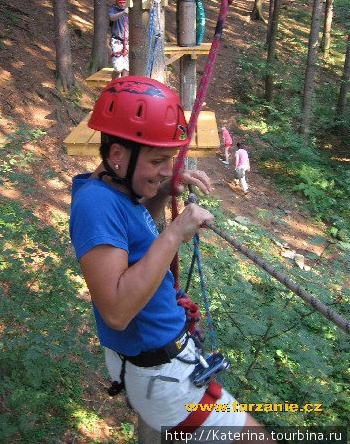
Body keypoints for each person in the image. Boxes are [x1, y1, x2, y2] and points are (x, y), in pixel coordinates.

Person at [70, 76, 274, 441]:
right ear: (117, 155)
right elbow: (116, 310)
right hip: (166, 379)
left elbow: (135, 245)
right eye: (159, 160)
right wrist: (176, 232)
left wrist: (160, 193)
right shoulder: (96, 205)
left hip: (163, 365)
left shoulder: (115, 193)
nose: (168, 169)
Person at [109, 0, 129, 79]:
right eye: (120, 2)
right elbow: (112, 18)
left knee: (126, 69)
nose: (122, 4)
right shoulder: (113, 9)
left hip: (128, 42)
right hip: (117, 41)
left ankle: (123, 88)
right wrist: (122, 12)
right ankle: (114, 84)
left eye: (124, 2)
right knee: (118, 69)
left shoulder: (130, 9)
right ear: (116, 1)